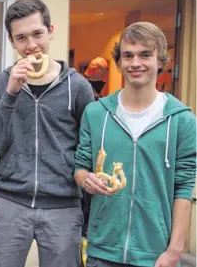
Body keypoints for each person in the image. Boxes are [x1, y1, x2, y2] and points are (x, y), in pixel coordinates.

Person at [0, 0, 95, 267]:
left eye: (37, 34)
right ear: (11, 41)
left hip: (63, 205)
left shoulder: (77, 86)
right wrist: (11, 93)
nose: (31, 45)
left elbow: (88, 147)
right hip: (9, 202)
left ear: (51, 31)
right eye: (21, 38)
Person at [74, 21, 196, 267]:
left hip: (156, 254)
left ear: (160, 60)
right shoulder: (96, 114)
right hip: (103, 249)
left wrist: (175, 250)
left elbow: (184, 188)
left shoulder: (183, 120)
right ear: (119, 62)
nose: (135, 63)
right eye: (128, 55)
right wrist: (85, 178)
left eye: (145, 55)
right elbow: (80, 166)